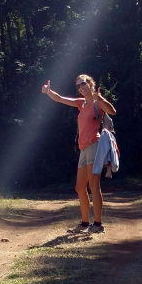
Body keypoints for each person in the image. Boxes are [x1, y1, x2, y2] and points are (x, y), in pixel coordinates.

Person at [42, 74, 116, 234]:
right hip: (83, 148)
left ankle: (98, 224)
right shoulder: (81, 103)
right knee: (80, 187)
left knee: (93, 185)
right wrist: (48, 92)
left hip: (94, 146)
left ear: (90, 83)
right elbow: (59, 98)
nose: (81, 87)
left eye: (83, 83)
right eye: (78, 85)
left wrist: (100, 98)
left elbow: (112, 111)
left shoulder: (97, 102)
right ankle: (84, 223)